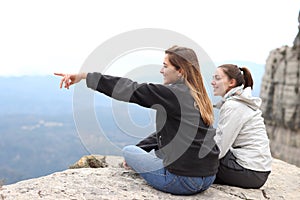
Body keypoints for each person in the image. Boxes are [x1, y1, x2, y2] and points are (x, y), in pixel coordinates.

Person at [54, 45, 220, 195]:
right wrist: (141, 148)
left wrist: (85, 76)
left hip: (182, 181)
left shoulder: (173, 94)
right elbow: (166, 134)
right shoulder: (199, 96)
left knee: (129, 151)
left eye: (165, 66)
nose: (161, 71)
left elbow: (131, 89)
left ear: (180, 71)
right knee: (138, 151)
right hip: (207, 178)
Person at [211, 64, 272, 189]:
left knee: (197, 157)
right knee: (205, 140)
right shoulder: (237, 102)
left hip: (250, 172)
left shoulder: (233, 106)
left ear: (231, 82)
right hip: (256, 171)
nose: (212, 82)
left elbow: (219, 150)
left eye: (217, 78)